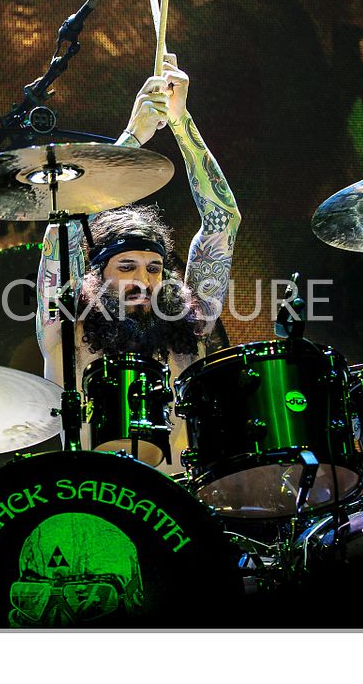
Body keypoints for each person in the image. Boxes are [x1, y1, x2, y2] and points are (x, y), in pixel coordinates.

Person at [35, 53, 241, 475]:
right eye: (126, 267)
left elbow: (223, 219)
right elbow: (62, 230)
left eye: (153, 268)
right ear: (96, 275)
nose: (143, 279)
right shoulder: (66, 326)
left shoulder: (190, 325)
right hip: (92, 493)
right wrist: (134, 137)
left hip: (178, 497)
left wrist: (181, 122)